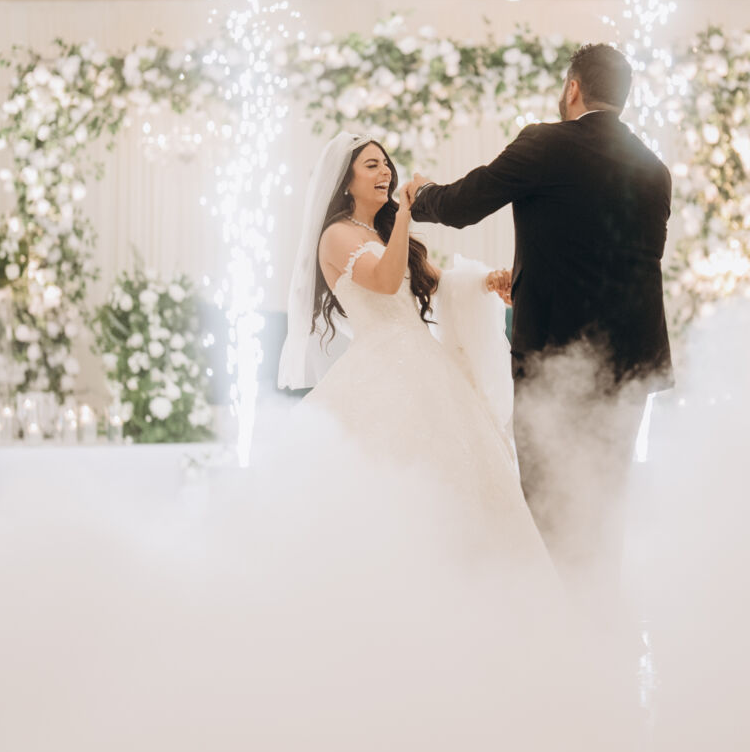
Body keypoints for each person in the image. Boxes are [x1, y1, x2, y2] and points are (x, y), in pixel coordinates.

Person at [406, 44, 673, 594]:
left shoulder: (546, 143)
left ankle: (559, 622)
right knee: (604, 497)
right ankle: (600, 611)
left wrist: (421, 193)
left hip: (558, 356)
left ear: (573, 87)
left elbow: (461, 205)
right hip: (633, 359)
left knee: (548, 499)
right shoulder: (653, 168)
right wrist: (532, 283)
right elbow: (622, 260)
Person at [275, 133, 549, 571]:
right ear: (345, 181)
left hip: (428, 364)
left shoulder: (383, 232)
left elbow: (436, 283)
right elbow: (385, 282)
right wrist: (405, 212)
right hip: (380, 366)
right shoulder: (335, 236)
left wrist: (488, 282)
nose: (385, 171)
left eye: (386, 163)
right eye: (371, 165)